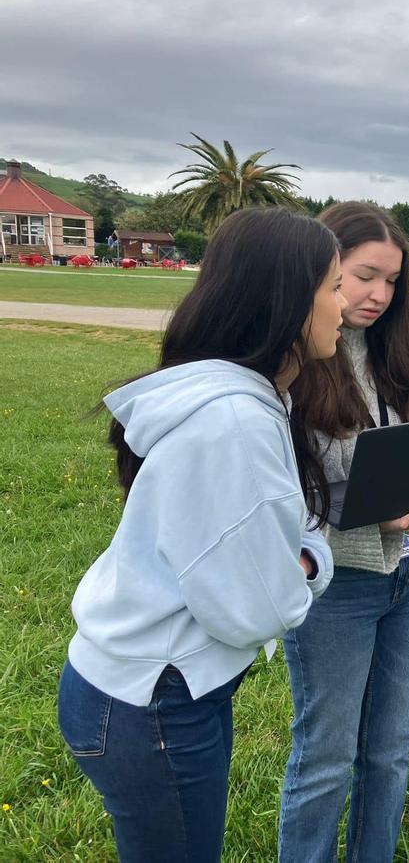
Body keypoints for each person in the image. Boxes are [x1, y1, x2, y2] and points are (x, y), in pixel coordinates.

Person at [57, 207, 342, 861]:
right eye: (332, 285)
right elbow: (256, 607)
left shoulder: (236, 398)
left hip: (140, 689)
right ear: (288, 302)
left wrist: (292, 553)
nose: (345, 301)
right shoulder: (234, 424)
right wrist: (303, 561)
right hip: (153, 703)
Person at [278, 202, 409, 861]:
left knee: (390, 752)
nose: (379, 295)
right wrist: (367, 504)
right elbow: (299, 471)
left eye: (392, 281)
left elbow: (378, 440)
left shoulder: (390, 343)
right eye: (362, 277)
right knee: (327, 758)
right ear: (324, 270)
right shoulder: (297, 354)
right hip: (337, 579)